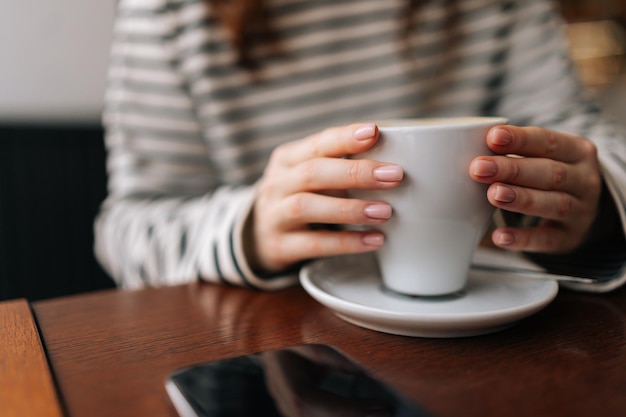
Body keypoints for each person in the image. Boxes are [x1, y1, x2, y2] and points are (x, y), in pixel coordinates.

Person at [95, 0, 626, 293]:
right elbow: (127, 230)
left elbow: (582, 140)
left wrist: (595, 195)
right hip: (273, 344)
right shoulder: (167, 14)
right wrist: (249, 228)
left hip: (496, 322)